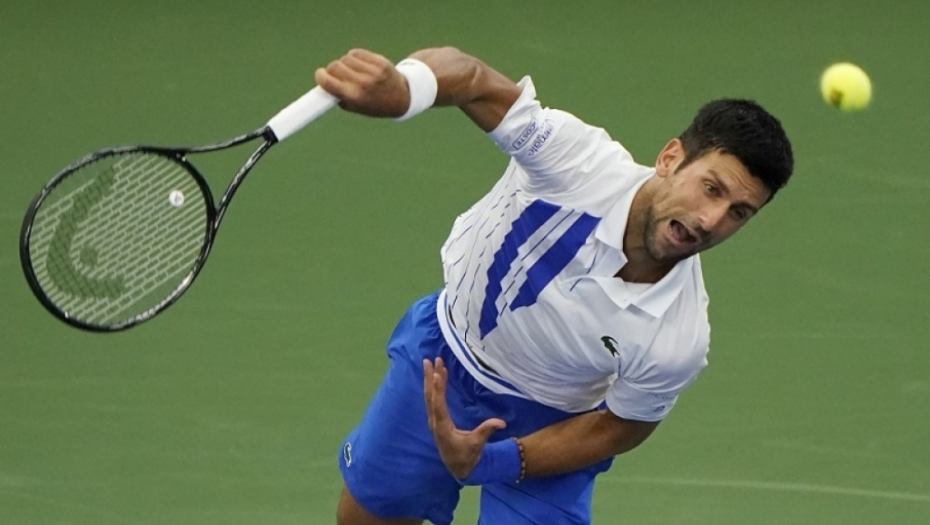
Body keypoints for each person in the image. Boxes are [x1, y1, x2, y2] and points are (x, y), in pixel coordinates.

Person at [315, 47, 794, 525]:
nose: (711, 220)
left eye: (738, 212)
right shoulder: (576, 162)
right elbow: (473, 80)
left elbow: (620, 426)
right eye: (711, 188)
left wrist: (495, 461)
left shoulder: (678, 339)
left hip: (557, 421)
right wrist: (407, 90)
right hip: (445, 361)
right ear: (670, 159)